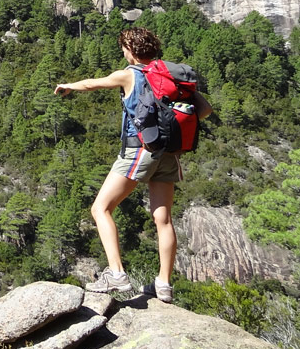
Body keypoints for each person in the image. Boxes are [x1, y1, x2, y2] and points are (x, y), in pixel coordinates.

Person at [53, 27, 213, 303]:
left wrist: (69, 86)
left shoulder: (130, 74)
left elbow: (93, 83)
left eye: (124, 49)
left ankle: (116, 274)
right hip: (170, 152)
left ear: (129, 51)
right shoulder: (173, 77)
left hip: (140, 150)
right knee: (163, 219)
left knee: (100, 208)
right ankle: (163, 284)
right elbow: (206, 110)